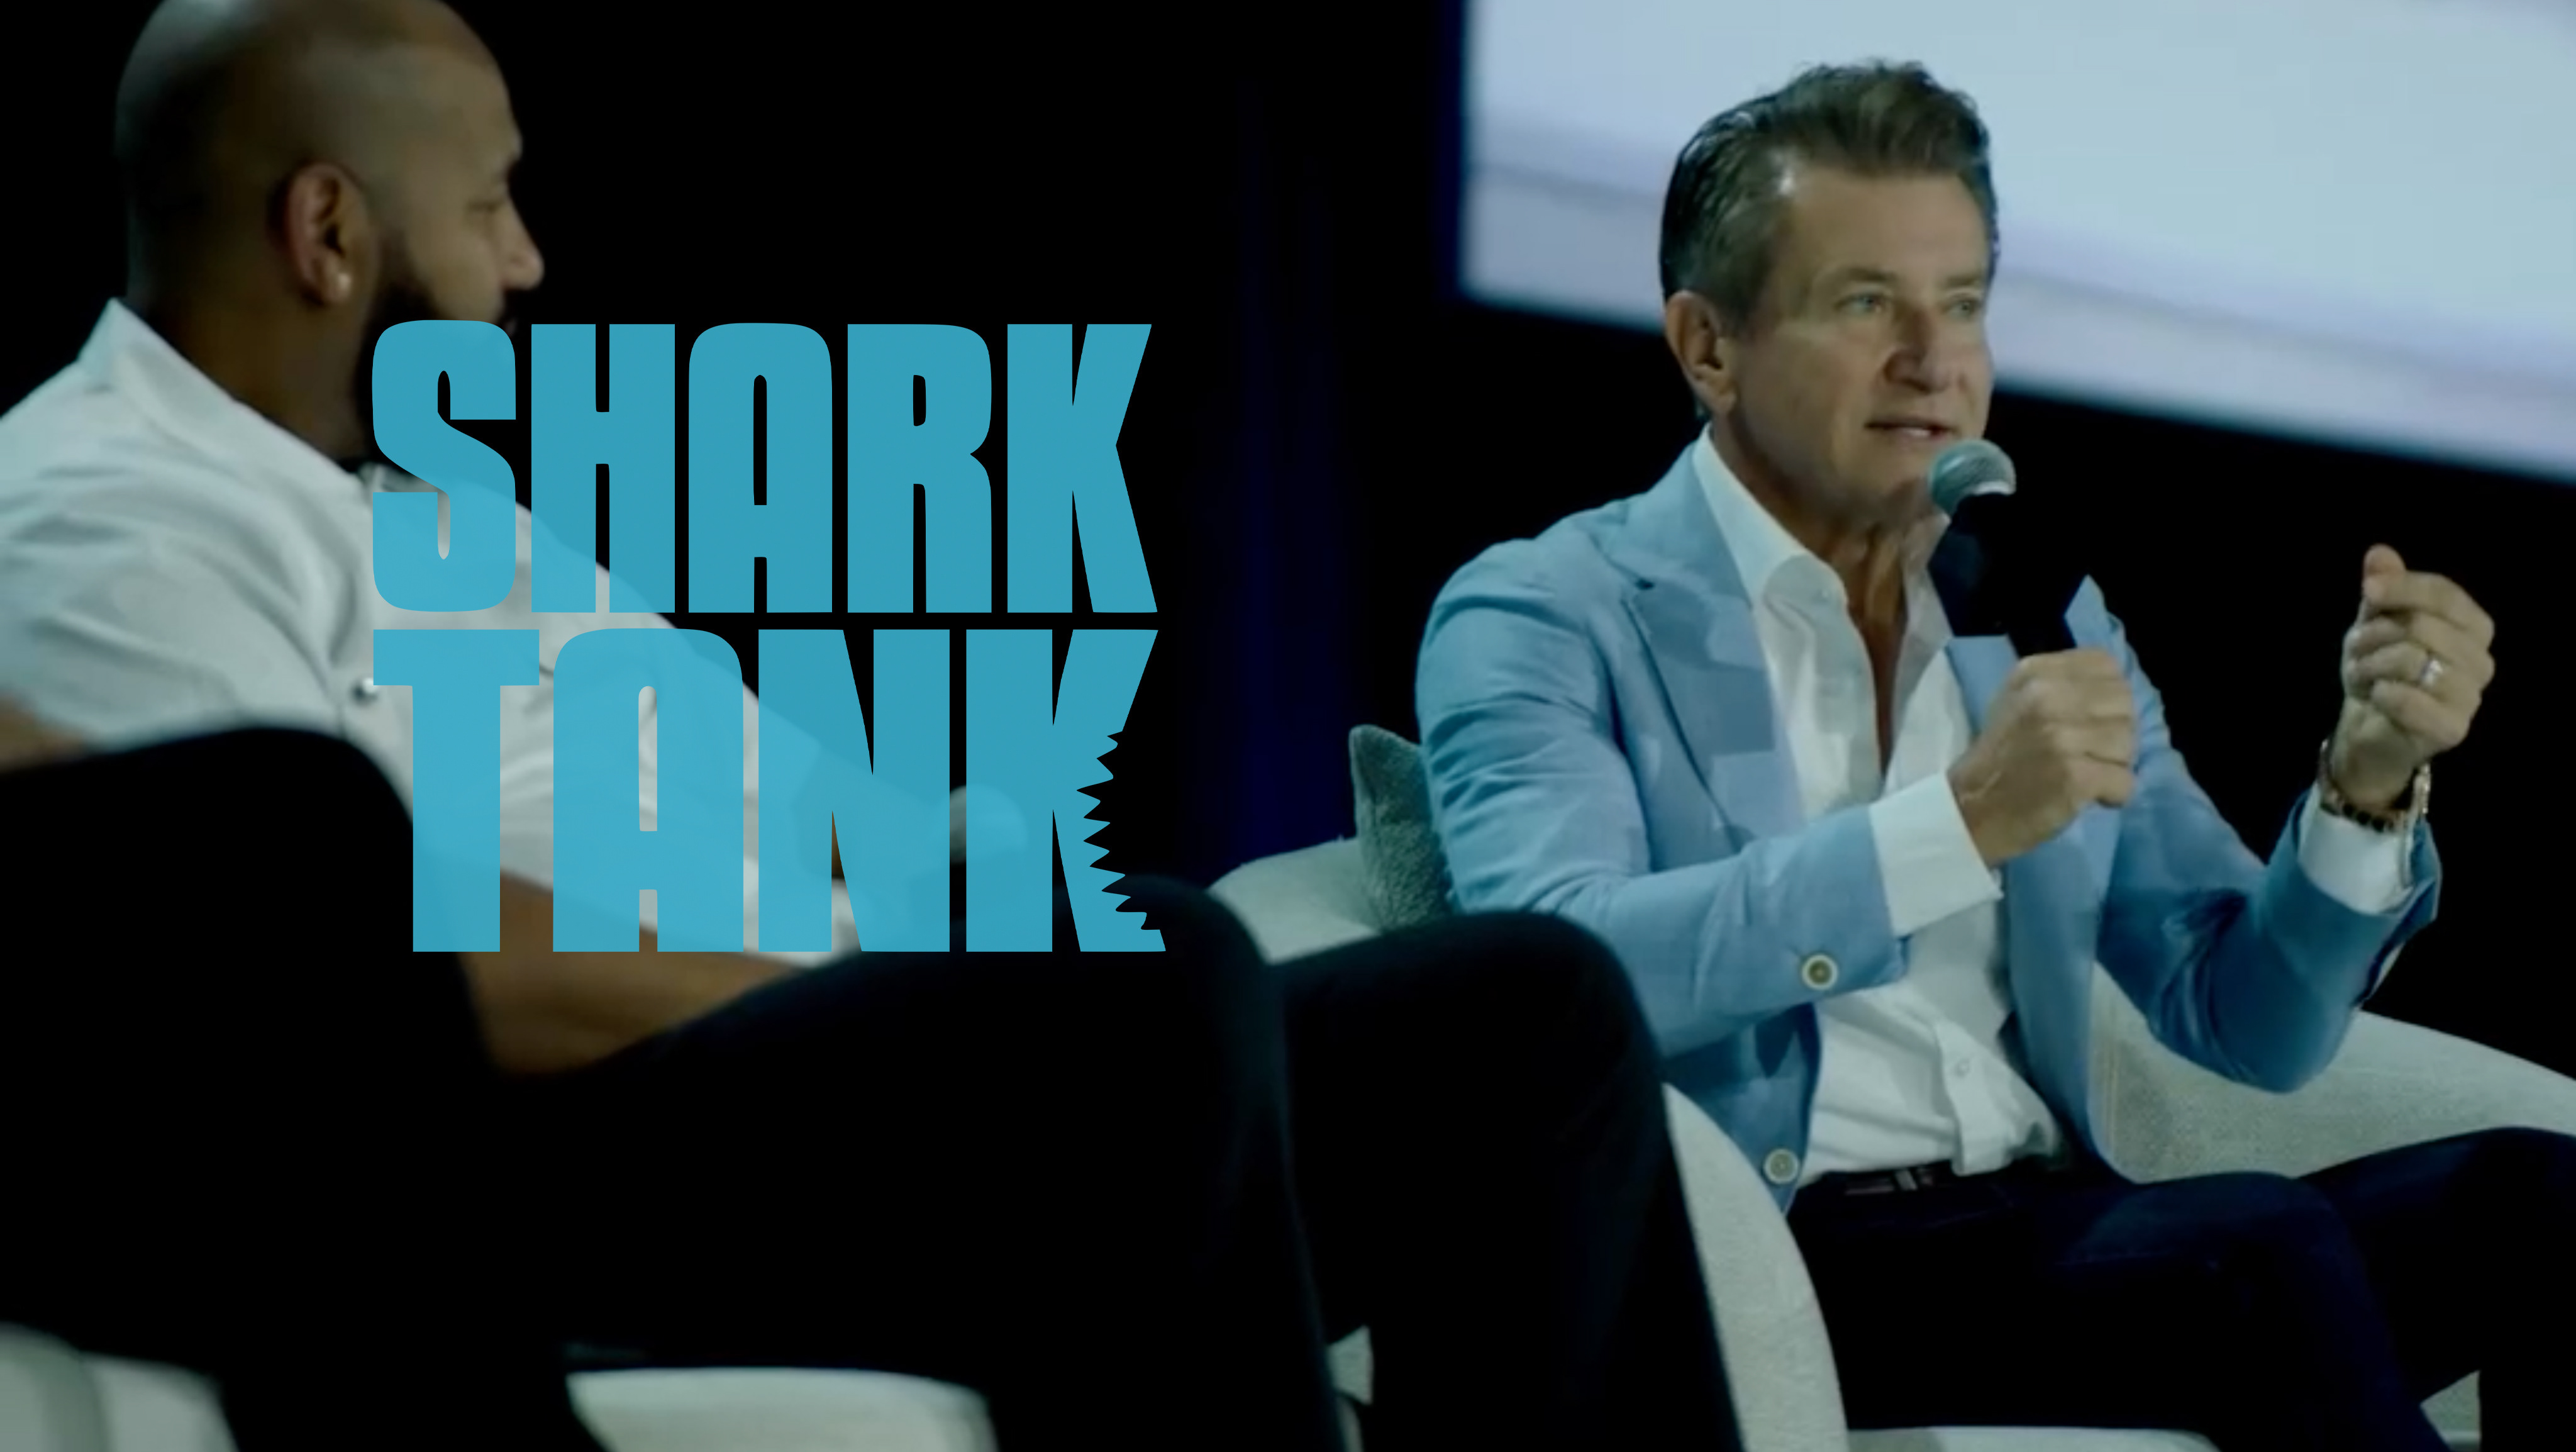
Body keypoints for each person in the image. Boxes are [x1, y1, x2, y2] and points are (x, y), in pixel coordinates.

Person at [0, 3, 1745, 1448]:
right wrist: (846, 978)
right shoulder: (107, 508)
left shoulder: (445, 515)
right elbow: (299, 975)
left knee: (1518, 1014)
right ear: (327, 232)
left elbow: (814, 809)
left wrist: (958, 887)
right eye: (489, 204)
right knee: (1143, 1003)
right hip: (551, 1142)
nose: (525, 259)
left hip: (827, 1071)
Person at [1414, 60, 2576, 1451]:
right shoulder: (1551, 608)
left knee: (2540, 1199)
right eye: (1866, 304)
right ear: (1707, 345)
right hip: (1772, 1260)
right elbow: (1557, 977)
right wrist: (1950, 828)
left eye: (1961, 303)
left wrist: (2363, 784)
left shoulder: (2029, 609)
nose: (1934, 360)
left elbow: (2241, 1017)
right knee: (2255, 1254)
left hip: (2036, 1228)